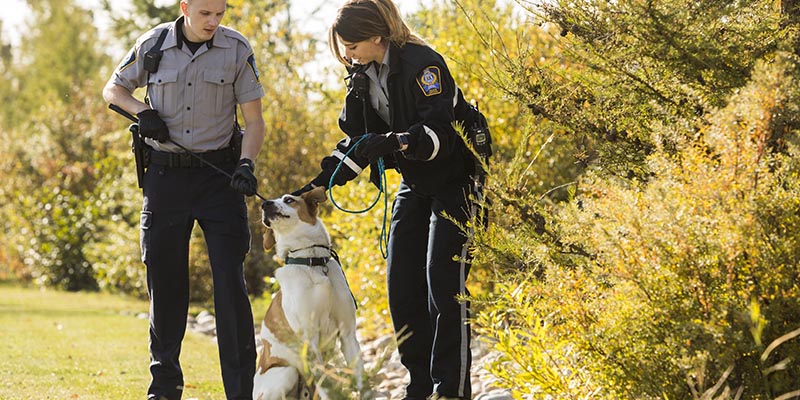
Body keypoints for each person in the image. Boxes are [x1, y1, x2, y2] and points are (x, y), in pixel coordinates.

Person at [295, 0, 490, 398]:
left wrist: (394, 141)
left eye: (350, 45)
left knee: (443, 286)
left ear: (376, 37)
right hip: (415, 184)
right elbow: (357, 142)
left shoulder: (423, 64)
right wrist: (321, 184)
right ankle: (418, 386)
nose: (345, 54)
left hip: (456, 182)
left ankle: (449, 390)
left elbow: (439, 136)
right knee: (401, 287)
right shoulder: (361, 75)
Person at [102, 0, 265, 398]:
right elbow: (113, 88)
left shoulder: (237, 49)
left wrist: (246, 165)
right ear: (185, 7)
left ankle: (242, 392)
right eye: (206, 13)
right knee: (166, 284)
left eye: (220, 14)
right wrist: (142, 112)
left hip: (220, 181)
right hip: (165, 180)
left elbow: (255, 121)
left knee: (230, 285)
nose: (214, 22)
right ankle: (164, 389)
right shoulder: (153, 43)